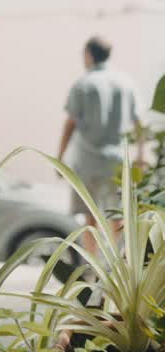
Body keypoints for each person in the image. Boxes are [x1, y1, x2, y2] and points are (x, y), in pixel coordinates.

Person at [57, 36, 141, 253]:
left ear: (88, 55)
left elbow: (70, 124)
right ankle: (123, 266)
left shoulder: (83, 84)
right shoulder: (126, 83)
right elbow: (139, 122)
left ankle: (92, 269)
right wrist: (141, 155)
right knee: (119, 216)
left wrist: (59, 157)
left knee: (89, 218)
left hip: (88, 162)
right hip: (118, 162)